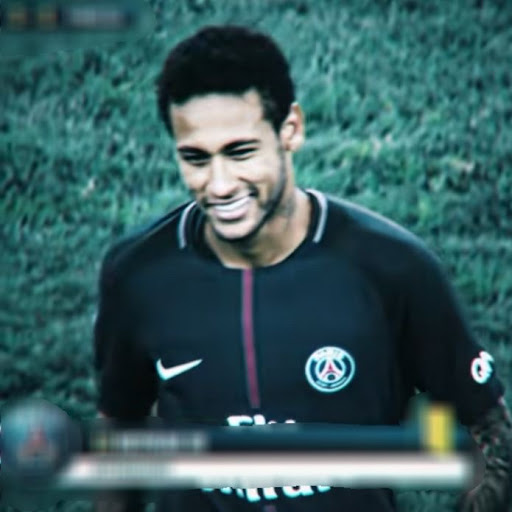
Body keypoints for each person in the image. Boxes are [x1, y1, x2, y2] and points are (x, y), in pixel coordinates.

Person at [93, 25, 512, 512]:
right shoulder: (139, 275)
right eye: (196, 159)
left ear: (290, 129)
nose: (220, 185)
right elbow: (119, 430)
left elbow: (491, 436)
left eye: (240, 152)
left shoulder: (391, 268)